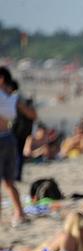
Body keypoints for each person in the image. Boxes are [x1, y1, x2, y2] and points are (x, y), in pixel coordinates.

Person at [0, 66, 34, 225]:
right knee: (9, 182)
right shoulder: (14, 98)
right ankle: (20, 213)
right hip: (9, 137)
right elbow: (32, 114)